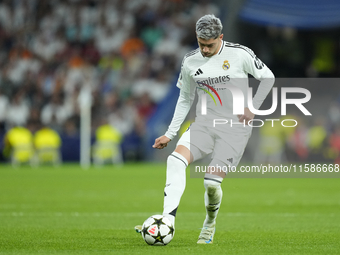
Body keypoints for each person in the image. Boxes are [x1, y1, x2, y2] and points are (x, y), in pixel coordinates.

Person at [135, 14, 275, 244]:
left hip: (235, 128)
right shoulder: (190, 61)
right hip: (204, 123)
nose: (205, 50)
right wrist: (170, 134)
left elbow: (267, 77)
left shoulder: (240, 54)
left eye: (210, 45)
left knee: (211, 183)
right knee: (175, 161)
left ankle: (209, 223)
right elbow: (185, 98)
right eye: (201, 45)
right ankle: (168, 220)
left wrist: (253, 108)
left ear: (221, 37)